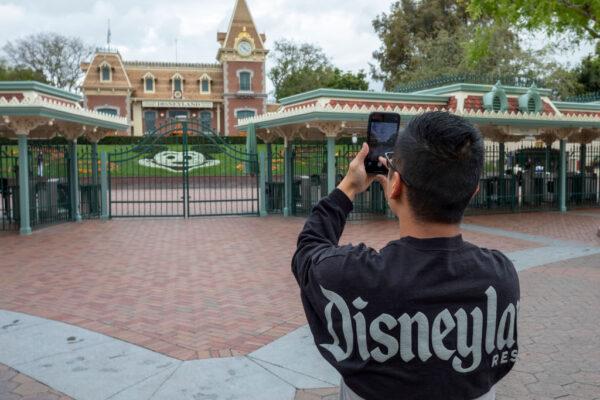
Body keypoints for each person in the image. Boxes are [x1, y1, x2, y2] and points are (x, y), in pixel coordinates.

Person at [292, 112, 520, 400]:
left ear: (395, 184)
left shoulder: (352, 276)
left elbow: (309, 249)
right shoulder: (501, 277)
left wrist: (348, 187)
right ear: (473, 191)